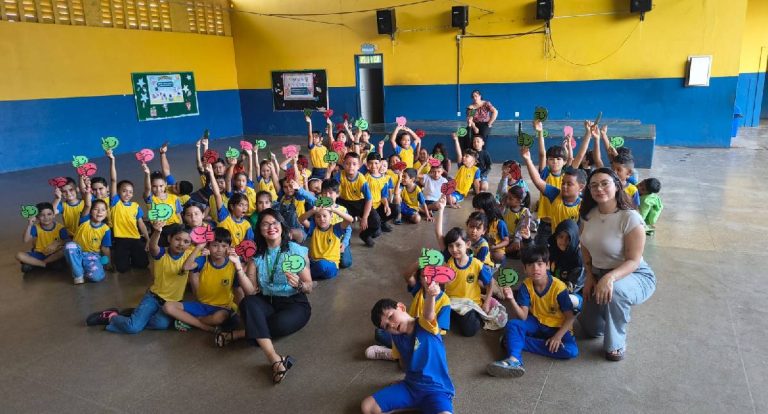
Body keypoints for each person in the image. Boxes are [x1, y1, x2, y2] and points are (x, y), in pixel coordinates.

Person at [215, 209, 312, 384]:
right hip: (267, 301)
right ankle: (275, 359)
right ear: (259, 229)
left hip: (294, 303)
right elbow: (251, 291)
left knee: (279, 324)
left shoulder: (294, 250)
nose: (271, 227)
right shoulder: (256, 256)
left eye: (274, 223)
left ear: (281, 226)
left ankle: (238, 334)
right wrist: (238, 267)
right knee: (248, 303)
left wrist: (299, 284)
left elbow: (310, 286)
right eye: (265, 224)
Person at [578, 168, 656, 361]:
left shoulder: (630, 217)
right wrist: (589, 276)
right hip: (598, 272)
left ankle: (616, 344)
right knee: (591, 330)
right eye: (594, 185)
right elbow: (584, 246)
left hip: (633, 274)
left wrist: (609, 277)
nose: (599, 188)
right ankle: (613, 309)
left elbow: (634, 260)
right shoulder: (588, 215)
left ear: (617, 185)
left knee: (617, 292)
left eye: (605, 183)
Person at [361, 282, 455, 414]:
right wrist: (404, 381)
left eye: (391, 316)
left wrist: (430, 295)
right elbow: (403, 365)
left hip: (436, 390)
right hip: (410, 387)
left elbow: (428, 314)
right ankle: (413, 405)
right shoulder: (396, 338)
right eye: (387, 326)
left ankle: (414, 405)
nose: (392, 325)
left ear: (401, 307)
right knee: (367, 407)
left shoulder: (424, 324)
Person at [487, 244, 579, 378]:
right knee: (513, 324)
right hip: (536, 322)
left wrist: (558, 336)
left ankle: (515, 342)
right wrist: (511, 299)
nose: (535, 268)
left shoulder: (559, 287)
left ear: (547, 265)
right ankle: (514, 360)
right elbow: (523, 317)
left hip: (558, 326)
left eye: (540, 264)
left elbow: (570, 317)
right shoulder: (526, 285)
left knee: (571, 351)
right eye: (530, 265)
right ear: (525, 268)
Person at [86, 222, 196, 333]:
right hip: (153, 298)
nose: (181, 244)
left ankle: (136, 315)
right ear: (169, 238)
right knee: (133, 328)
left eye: (186, 241)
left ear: (190, 244)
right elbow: (153, 247)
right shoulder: (162, 253)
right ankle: (111, 317)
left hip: (172, 303)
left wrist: (202, 247)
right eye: (177, 239)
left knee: (161, 324)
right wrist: (157, 232)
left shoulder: (190, 255)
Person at [163, 228, 252, 332]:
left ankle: (192, 321)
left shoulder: (232, 264)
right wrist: (199, 247)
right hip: (202, 305)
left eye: (224, 246)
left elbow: (238, 290)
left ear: (229, 248)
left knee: (219, 318)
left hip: (222, 307)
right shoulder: (203, 260)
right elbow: (186, 267)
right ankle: (204, 326)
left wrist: (241, 312)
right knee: (168, 306)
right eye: (215, 245)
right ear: (208, 246)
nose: (219, 249)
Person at [434, 198, 495, 337]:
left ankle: (471, 316)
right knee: (430, 314)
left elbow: (490, 282)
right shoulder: (449, 258)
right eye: (450, 246)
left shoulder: (477, 264)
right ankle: (453, 316)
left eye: (458, 245)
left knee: (469, 331)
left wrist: (486, 302)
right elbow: (438, 234)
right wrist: (442, 209)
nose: (454, 249)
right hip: (451, 300)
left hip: (469, 303)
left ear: (467, 245)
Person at [107, 150, 150, 272]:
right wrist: (112, 160)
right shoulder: (115, 203)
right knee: (122, 269)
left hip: (135, 238)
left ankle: (132, 256)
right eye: (124, 191)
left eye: (130, 192)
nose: (127, 194)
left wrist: (147, 239)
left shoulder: (135, 206)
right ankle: (124, 258)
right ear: (118, 192)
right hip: (121, 239)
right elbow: (113, 180)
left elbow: (141, 223)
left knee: (143, 264)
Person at [64, 180, 112, 284]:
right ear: (90, 212)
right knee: (70, 246)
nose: (99, 212)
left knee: (96, 278)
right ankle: (78, 275)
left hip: (93, 255)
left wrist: (108, 262)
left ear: (106, 213)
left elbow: (105, 248)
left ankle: (85, 267)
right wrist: (88, 190)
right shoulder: (84, 220)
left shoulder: (106, 229)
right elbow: (87, 205)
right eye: (96, 209)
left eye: (103, 210)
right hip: (78, 252)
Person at [334, 152, 381, 247]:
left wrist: (364, 217)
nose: (351, 166)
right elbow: (332, 191)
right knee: (338, 219)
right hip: (344, 202)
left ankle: (364, 235)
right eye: (347, 163)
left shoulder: (362, 180)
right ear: (343, 164)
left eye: (354, 164)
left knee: (376, 221)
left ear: (359, 166)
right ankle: (343, 237)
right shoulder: (339, 176)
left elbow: (368, 199)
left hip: (359, 203)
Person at [298, 203, 354, 280]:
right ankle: (307, 275)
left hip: (330, 265)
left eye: (325, 216)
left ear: (331, 217)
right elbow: (301, 220)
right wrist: (312, 211)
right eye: (318, 216)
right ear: (315, 218)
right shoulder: (313, 228)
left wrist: (334, 210)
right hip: (314, 262)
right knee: (298, 259)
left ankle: (307, 277)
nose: (321, 219)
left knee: (321, 265)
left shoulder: (336, 229)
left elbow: (350, 219)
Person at [16, 202, 68, 273]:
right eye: (42, 215)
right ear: (37, 217)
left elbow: (67, 241)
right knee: (19, 255)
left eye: (49, 214)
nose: (46, 217)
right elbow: (25, 240)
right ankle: (44, 265)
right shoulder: (35, 228)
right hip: (39, 253)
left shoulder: (60, 228)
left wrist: (57, 243)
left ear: (53, 215)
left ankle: (36, 264)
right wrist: (29, 225)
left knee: (63, 252)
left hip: (53, 254)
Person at [472, 192, 509, 263]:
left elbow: (506, 241)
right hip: (481, 246)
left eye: (478, 209)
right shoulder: (479, 220)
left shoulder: (500, 223)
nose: (476, 211)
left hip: (495, 249)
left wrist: (494, 247)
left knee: (499, 257)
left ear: (488, 209)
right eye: (475, 208)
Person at [448, 133, 481, 208]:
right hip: (451, 188)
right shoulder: (462, 166)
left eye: (467, 156)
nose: (463, 157)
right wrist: (456, 140)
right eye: (464, 156)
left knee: (451, 199)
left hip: (459, 193)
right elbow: (459, 154)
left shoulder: (476, 170)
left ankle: (449, 200)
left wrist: (478, 195)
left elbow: (476, 183)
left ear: (474, 160)